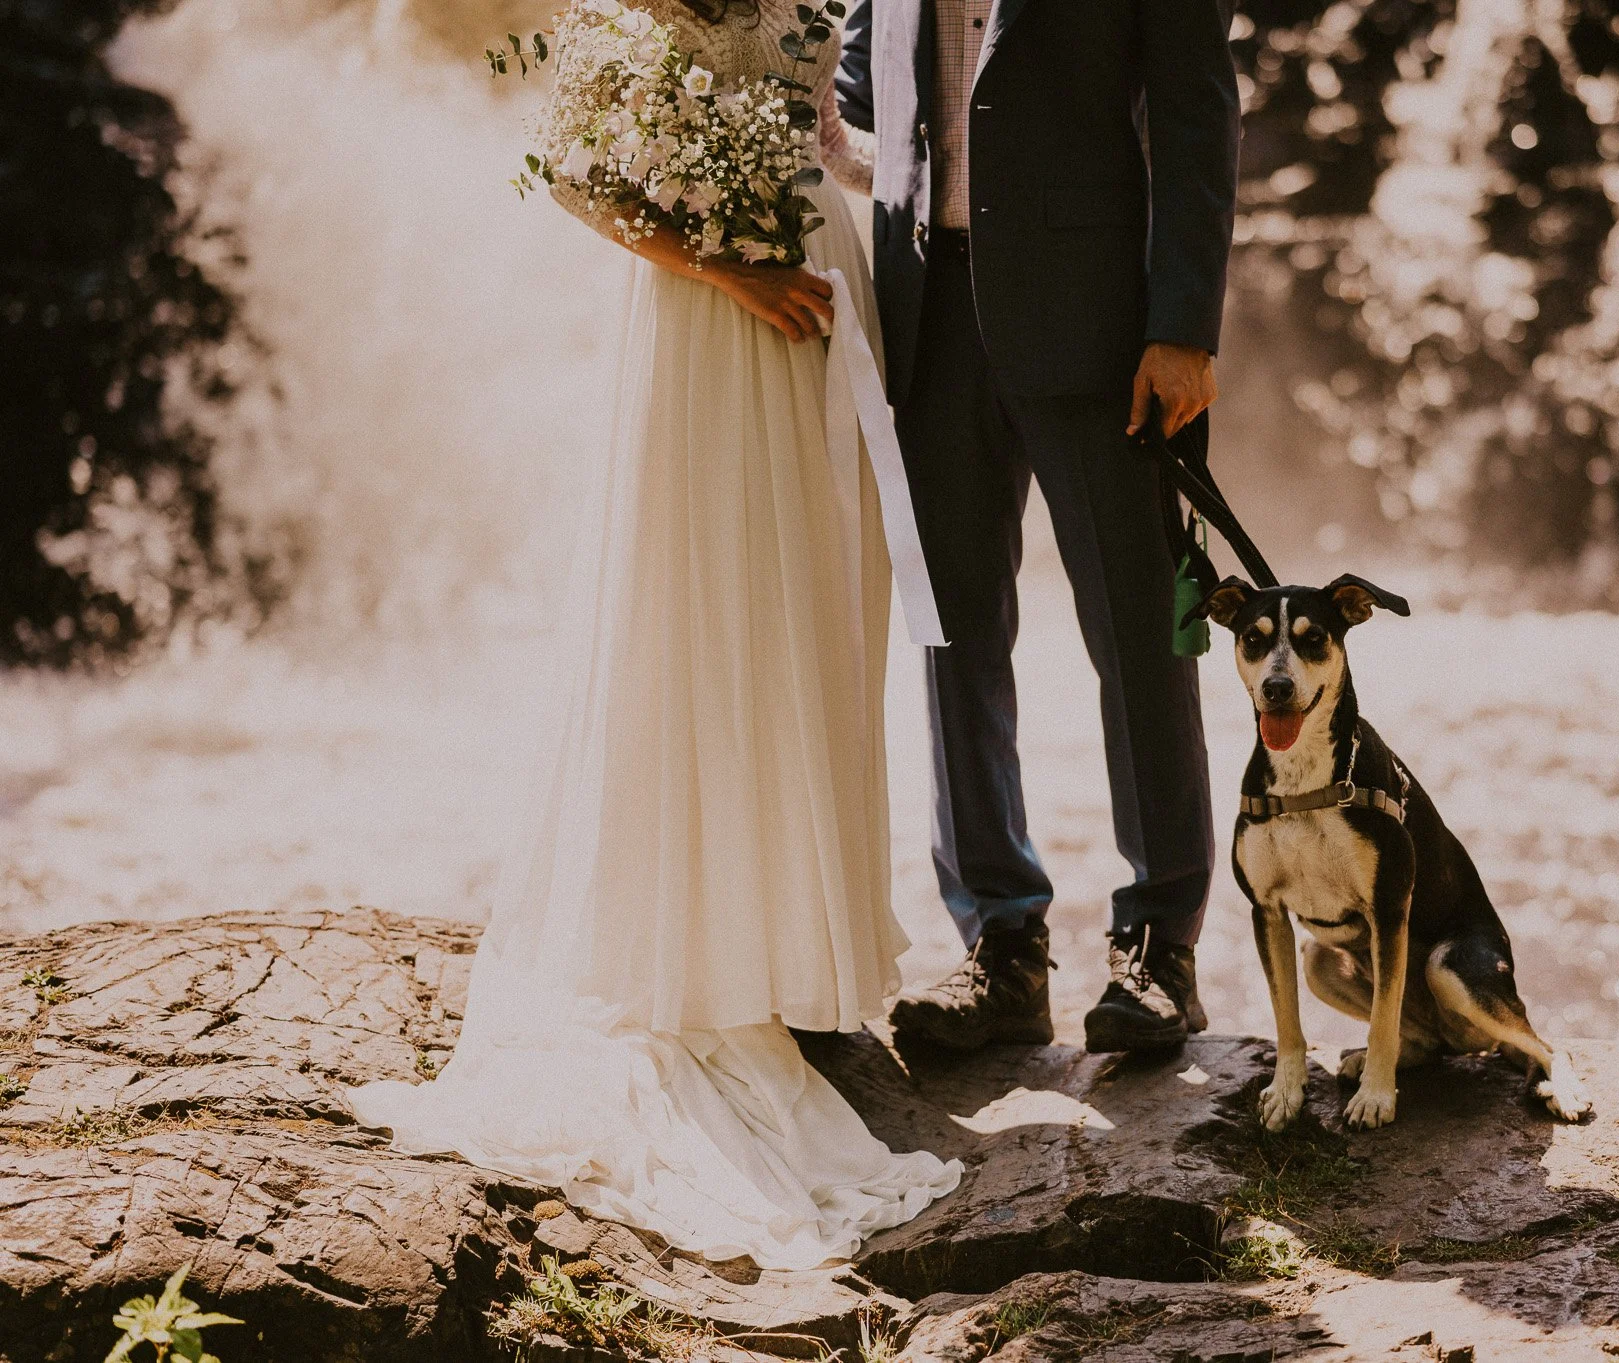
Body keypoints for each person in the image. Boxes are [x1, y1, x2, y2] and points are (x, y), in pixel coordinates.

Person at [346, 0, 960, 1270]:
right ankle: (700, 942)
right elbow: (576, 169)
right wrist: (727, 266)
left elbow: (826, 128)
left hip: (824, 295)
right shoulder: (627, 8)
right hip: (712, 321)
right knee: (711, 602)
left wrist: (873, 196)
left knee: (809, 611)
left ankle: (792, 940)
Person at [836, 0, 1241, 1053]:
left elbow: (1197, 101)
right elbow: (851, 90)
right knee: (953, 636)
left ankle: (1158, 946)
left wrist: (1182, 327)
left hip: (1100, 323)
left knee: (1139, 630)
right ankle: (1000, 949)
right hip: (925, 312)